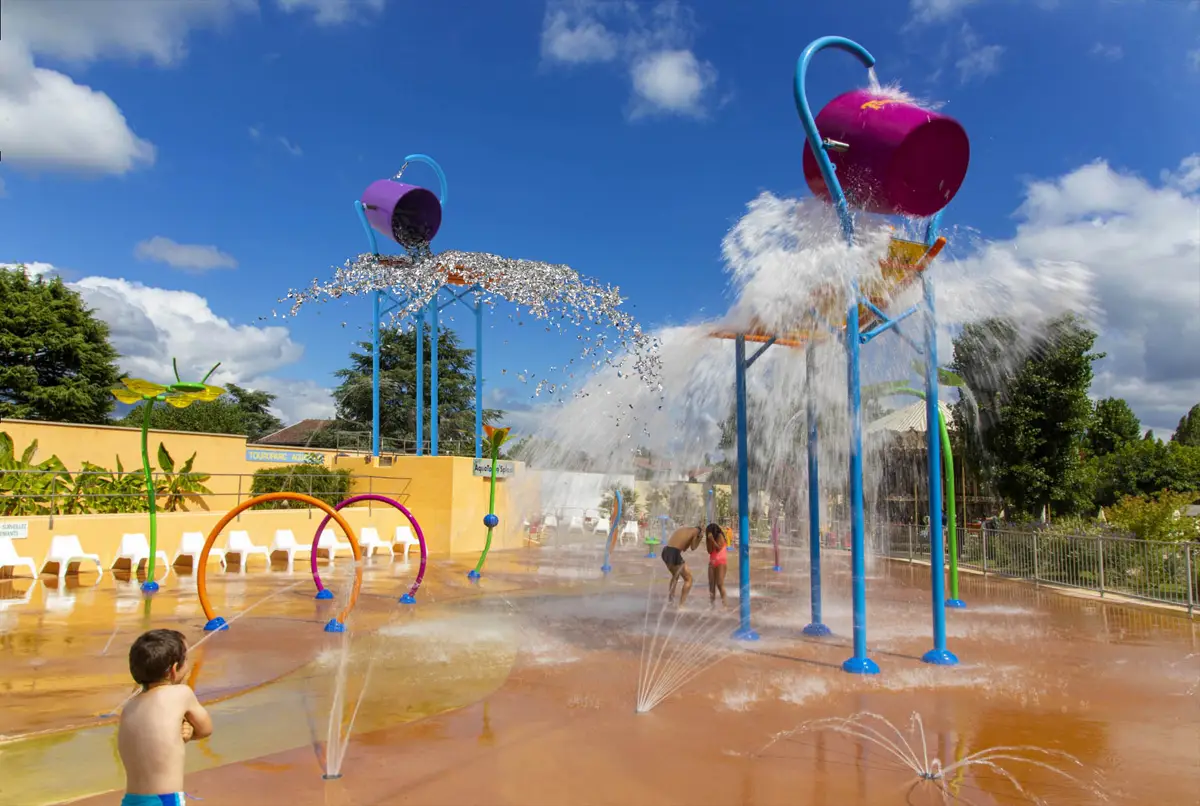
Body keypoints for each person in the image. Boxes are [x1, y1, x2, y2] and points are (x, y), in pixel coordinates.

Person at [118, 629, 213, 806]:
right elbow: (206, 729)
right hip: (165, 801)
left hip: (131, 801)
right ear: (174, 670)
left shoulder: (129, 706)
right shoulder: (181, 693)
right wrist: (190, 732)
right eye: (186, 659)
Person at [661, 525, 704, 605]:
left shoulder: (685, 529)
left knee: (675, 576)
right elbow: (693, 547)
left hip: (665, 551)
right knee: (689, 579)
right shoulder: (695, 532)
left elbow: (684, 548)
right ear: (699, 532)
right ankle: (681, 606)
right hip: (674, 553)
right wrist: (700, 538)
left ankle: (670, 600)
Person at [705, 524, 728, 607]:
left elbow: (719, 548)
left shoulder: (720, 536)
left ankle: (725, 605)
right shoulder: (710, 539)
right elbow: (709, 551)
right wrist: (709, 540)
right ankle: (712, 605)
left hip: (721, 562)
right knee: (711, 585)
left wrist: (712, 540)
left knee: (719, 584)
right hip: (712, 563)